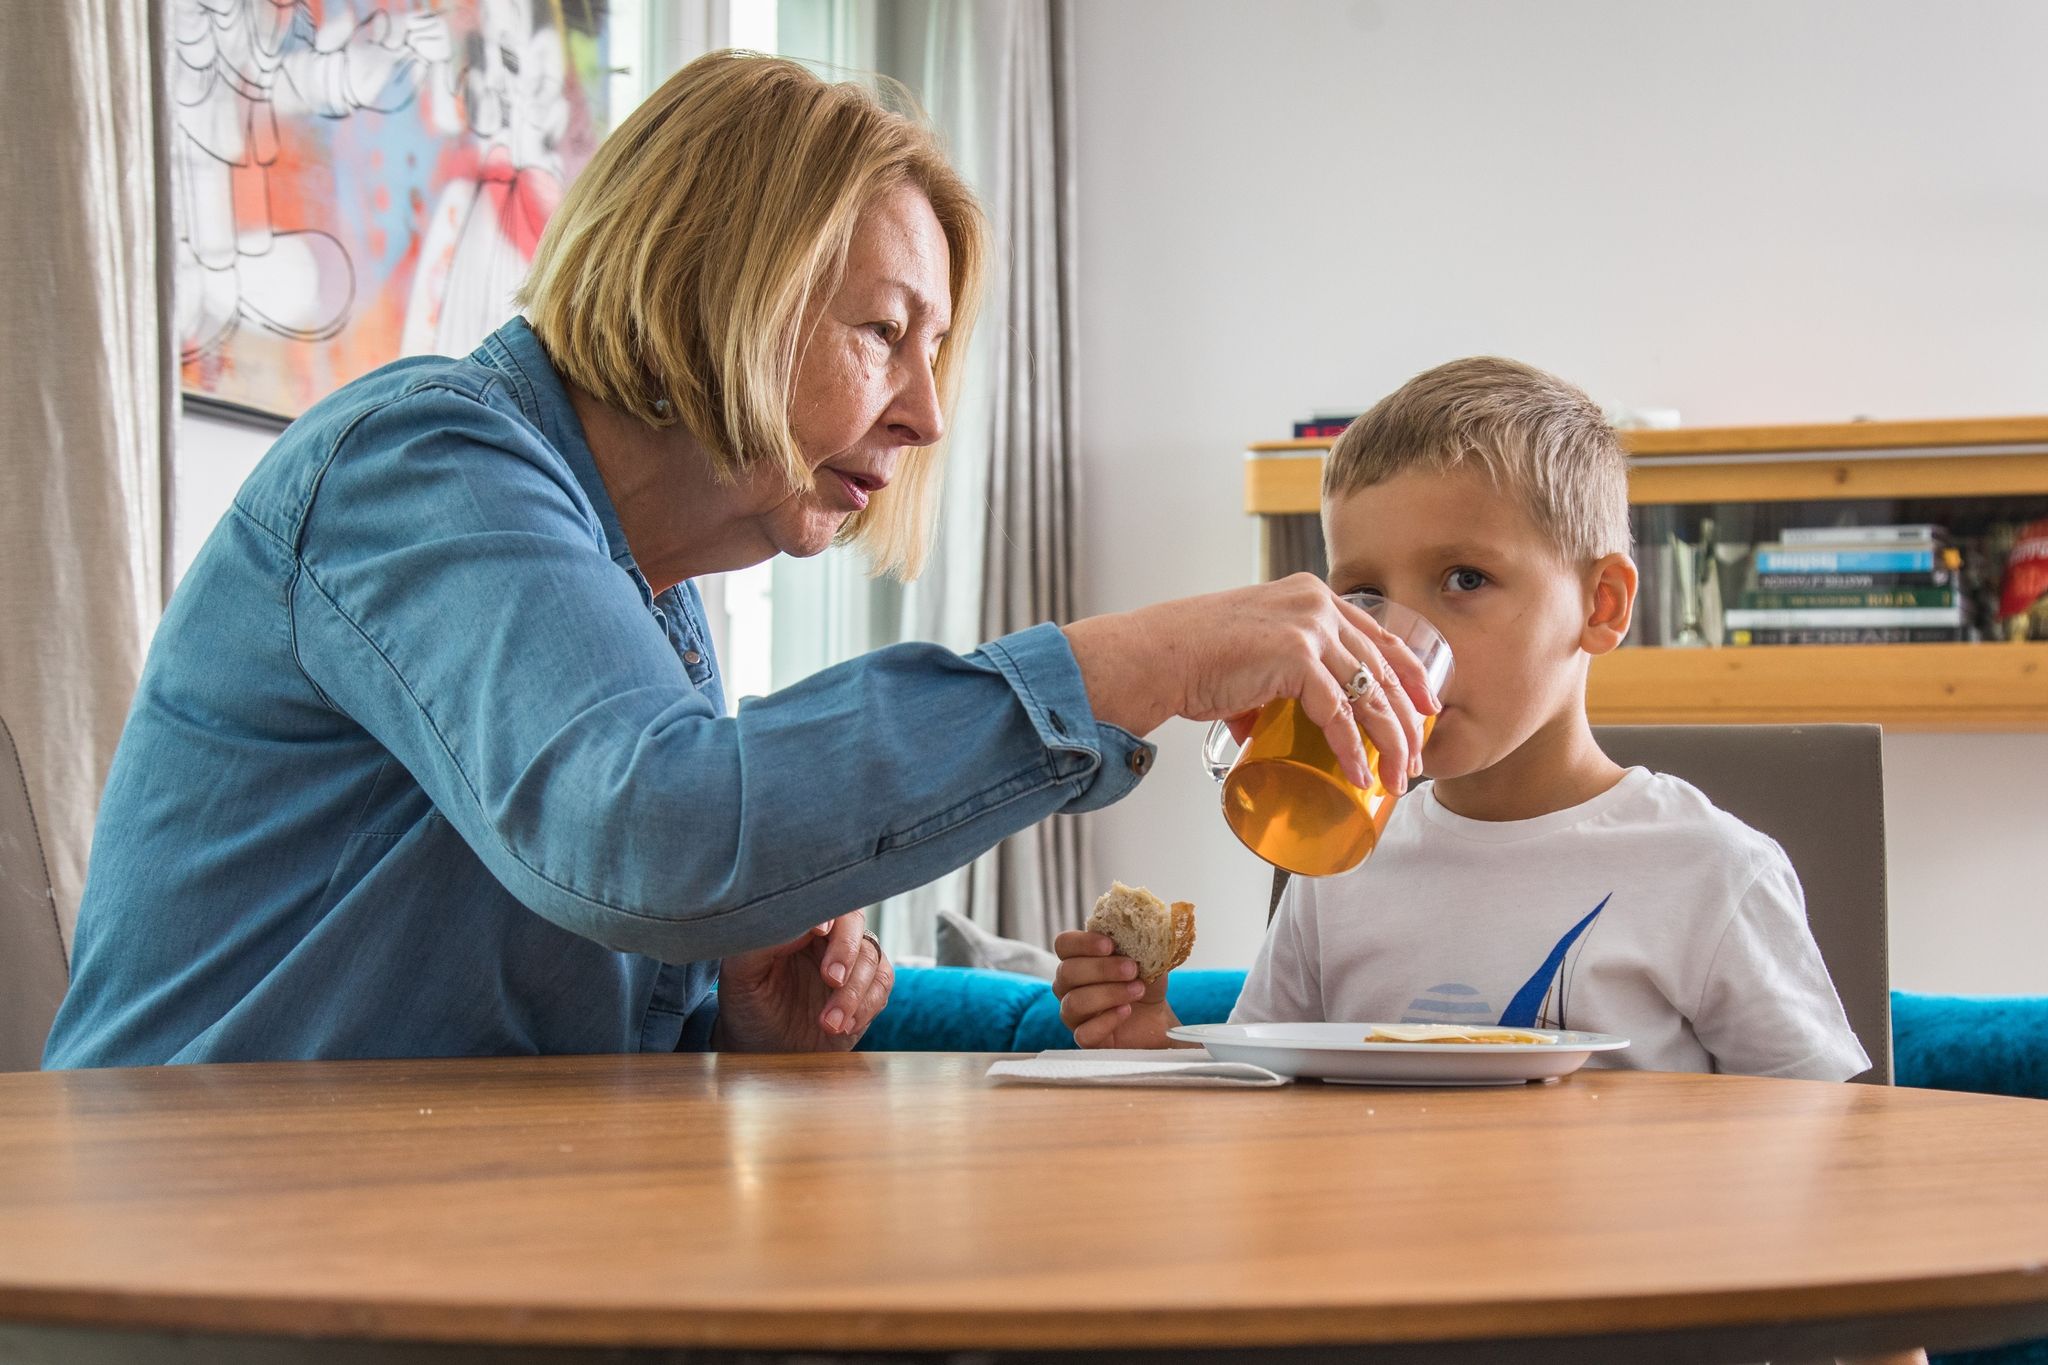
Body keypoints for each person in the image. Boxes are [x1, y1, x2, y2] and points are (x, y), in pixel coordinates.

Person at [43, 52, 1438, 1069]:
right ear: (720, 283)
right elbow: (646, 828)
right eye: (884, 332)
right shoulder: (422, 473)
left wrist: (731, 1020)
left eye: (934, 350)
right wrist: (1132, 664)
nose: (927, 412)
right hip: (191, 1237)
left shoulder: (655, 590)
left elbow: (594, 943)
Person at [1054, 357, 1871, 1079]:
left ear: (1602, 604)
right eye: (1362, 597)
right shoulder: (1336, 873)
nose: (1391, 646)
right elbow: (1263, 1098)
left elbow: (1825, 1140)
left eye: (1465, 579)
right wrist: (1149, 1039)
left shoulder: (1708, 870)